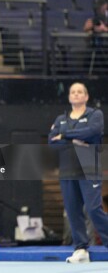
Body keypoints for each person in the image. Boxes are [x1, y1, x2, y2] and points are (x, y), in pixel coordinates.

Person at [48, 82, 108, 263]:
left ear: (86, 96)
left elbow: (93, 131)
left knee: (93, 209)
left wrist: (65, 136)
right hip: (67, 170)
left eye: (79, 91)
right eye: (72, 91)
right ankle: (81, 248)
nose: (76, 94)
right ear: (69, 97)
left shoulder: (94, 115)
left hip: (89, 168)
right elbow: (52, 142)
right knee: (73, 211)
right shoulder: (61, 119)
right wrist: (76, 140)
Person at [83, 0, 108, 74]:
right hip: (97, 53)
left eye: (100, 7)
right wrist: (88, 30)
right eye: (96, 8)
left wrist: (104, 29)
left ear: (105, 6)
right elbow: (86, 39)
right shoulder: (94, 20)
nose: (98, 9)